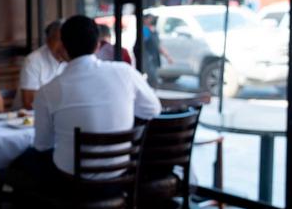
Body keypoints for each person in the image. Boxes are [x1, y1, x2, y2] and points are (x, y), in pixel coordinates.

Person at [9, 15, 161, 190]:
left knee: (21, 163)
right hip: (119, 177)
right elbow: (153, 110)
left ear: (63, 48)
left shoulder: (48, 91)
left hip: (71, 184)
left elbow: (43, 145)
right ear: (98, 45)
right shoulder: (125, 72)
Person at [17, 19, 67, 109]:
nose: (63, 45)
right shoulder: (33, 61)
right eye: (59, 40)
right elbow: (29, 102)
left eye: (67, 39)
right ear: (48, 41)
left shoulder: (75, 59)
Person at [142, 13, 172, 87]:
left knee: (153, 78)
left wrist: (167, 56)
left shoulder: (154, 30)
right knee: (152, 78)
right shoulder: (145, 30)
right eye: (149, 18)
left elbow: (158, 45)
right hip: (148, 57)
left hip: (154, 57)